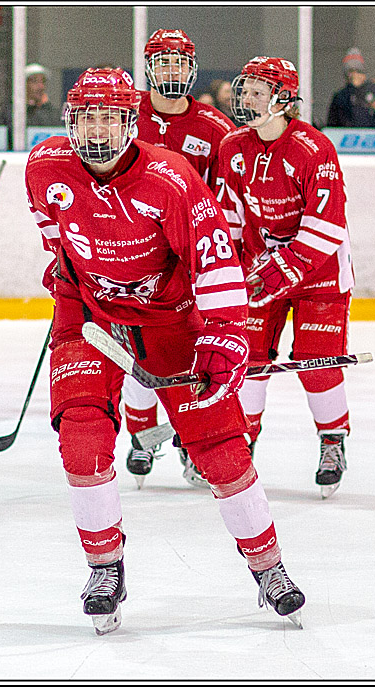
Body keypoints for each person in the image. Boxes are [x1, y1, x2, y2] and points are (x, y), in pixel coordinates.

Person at [24, 66, 305, 634]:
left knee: (222, 449)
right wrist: (67, 277)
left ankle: (268, 566)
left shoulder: (169, 178)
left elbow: (215, 259)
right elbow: (55, 237)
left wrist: (224, 339)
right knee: (81, 438)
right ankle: (105, 567)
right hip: (89, 316)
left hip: (170, 321)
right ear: (70, 121)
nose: (97, 130)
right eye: (87, 117)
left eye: (108, 117)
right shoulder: (44, 167)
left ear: (131, 121)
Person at [217, 56, 354, 499]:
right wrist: (227, 270)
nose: (247, 98)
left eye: (259, 90)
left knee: (318, 363)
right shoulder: (233, 147)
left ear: (284, 98)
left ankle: (332, 441)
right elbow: (230, 217)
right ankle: (242, 444)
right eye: (246, 89)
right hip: (261, 269)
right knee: (249, 361)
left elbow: (327, 226)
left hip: (321, 274)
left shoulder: (315, 148)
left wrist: (283, 268)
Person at [123, 28, 235, 488]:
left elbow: (228, 200)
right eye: (164, 62)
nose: (172, 71)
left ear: (192, 70)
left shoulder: (215, 128)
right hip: (127, 257)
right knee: (132, 352)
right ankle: (140, 436)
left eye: (180, 62)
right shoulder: (123, 114)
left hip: (188, 262)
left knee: (191, 355)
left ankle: (191, 442)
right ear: (149, 67)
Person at [1, 63, 63, 147]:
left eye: (43, 81)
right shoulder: (12, 109)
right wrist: (30, 107)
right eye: (34, 81)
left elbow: (55, 131)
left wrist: (44, 106)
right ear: (23, 84)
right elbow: (15, 133)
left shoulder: (50, 110)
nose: (41, 86)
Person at [326, 48, 369, 127]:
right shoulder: (340, 97)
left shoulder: (372, 92)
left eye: (358, 71)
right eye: (351, 71)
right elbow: (333, 123)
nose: (355, 75)